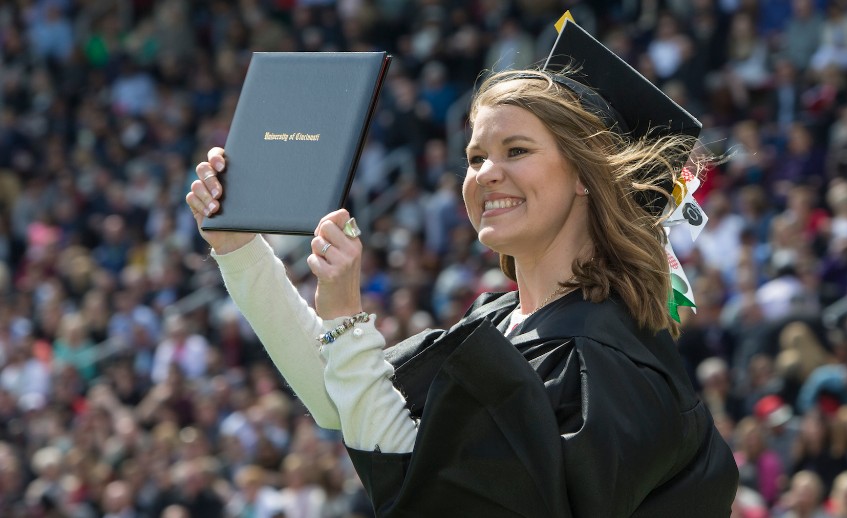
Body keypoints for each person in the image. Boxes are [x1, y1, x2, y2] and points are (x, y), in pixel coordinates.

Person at [182, 17, 737, 516]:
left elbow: (437, 494)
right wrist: (238, 246)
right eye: (475, 158)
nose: (486, 173)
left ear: (583, 175)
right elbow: (340, 401)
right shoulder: (499, 322)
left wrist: (349, 319)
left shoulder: (604, 361)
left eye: (516, 151)